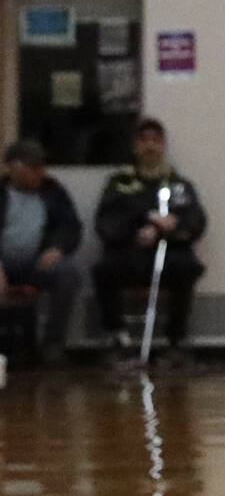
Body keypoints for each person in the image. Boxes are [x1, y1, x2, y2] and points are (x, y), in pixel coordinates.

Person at [91, 117, 208, 363]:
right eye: (144, 140)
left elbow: (195, 221)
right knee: (104, 269)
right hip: (129, 251)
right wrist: (140, 223)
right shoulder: (119, 183)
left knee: (186, 267)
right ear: (135, 146)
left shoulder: (178, 184)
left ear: (163, 145)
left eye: (156, 140)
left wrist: (170, 228)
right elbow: (105, 223)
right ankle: (116, 337)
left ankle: (176, 340)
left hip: (168, 250)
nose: (150, 146)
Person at [0, 139, 84, 364]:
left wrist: (57, 247)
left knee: (68, 274)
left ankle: (53, 344)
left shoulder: (53, 191)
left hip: (39, 262)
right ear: (12, 167)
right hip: (3, 263)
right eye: (31, 168)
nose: (38, 173)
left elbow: (70, 226)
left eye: (39, 167)